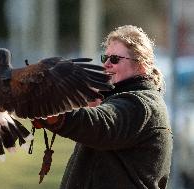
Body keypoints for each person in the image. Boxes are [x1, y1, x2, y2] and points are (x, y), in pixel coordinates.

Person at [32, 25, 173, 189]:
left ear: (141, 65)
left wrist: (52, 110)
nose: (106, 64)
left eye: (114, 59)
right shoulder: (119, 98)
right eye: (104, 58)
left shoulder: (142, 104)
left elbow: (102, 124)